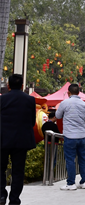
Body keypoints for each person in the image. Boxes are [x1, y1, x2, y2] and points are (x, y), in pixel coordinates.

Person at [0, 74, 36, 204]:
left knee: (0, 168)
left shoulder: (2, 99)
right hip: (22, 140)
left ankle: (1, 195)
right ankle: (14, 199)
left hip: (2, 139)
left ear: (8, 85)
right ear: (22, 86)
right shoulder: (30, 100)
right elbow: (32, 121)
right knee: (18, 171)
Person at [56, 83, 85, 190]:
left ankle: (71, 183)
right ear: (79, 92)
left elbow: (57, 116)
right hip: (82, 136)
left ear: (68, 92)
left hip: (69, 135)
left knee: (70, 160)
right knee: (83, 159)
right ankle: (84, 181)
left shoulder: (64, 103)